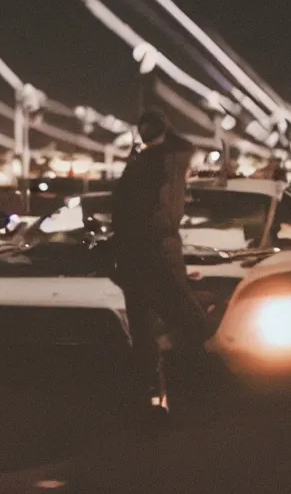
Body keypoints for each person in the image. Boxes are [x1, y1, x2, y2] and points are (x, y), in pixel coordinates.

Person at [110, 109, 212, 415]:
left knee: (143, 332)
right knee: (190, 324)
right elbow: (160, 214)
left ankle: (150, 397)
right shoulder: (168, 163)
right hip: (156, 251)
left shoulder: (140, 166)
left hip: (133, 255)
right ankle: (195, 395)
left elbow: (121, 209)